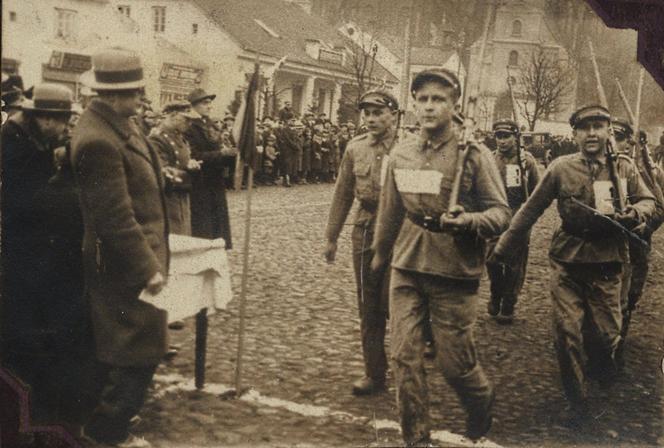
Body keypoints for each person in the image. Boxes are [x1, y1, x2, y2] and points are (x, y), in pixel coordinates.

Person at [490, 105, 654, 426]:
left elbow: (648, 201)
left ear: (608, 131)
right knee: (567, 333)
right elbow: (531, 209)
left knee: (607, 336)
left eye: (598, 127)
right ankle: (577, 404)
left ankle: (602, 363)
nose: (591, 133)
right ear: (575, 134)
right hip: (567, 260)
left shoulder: (623, 168)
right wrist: (503, 247)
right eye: (585, 128)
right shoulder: (560, 168)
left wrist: (635, 214)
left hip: (608, 263)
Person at [371, 69, 511, 445]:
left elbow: (501, 213)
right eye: (423, 99)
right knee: (404, 356)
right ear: (414, 105)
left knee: (455, 366)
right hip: (408, 265)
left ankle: (481, 401)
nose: (429, 107)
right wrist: (380, 254)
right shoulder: (401, 153)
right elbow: (390, 211)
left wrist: (468, 221)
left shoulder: (474, 155)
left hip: (454, 270)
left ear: (454, 105)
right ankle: (415, 438)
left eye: (438, 99)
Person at [70, 47, 169, 447]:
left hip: (132, 260)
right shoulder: (98, 139)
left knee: (129, 350)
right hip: (123, 265)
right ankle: (104, 433)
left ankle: (108, 427)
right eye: (134, 92)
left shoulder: (120, 126)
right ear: (113, 95)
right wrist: (148, 268)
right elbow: (114, 218)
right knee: (136, 353)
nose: (140, 97)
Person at [1, 83, 93, 434]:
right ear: (43, 117)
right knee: (21, 327)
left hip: (34, 243)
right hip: (18, 246)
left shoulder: (33, 137)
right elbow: (19, 200)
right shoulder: (11, 142)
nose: (64, 129)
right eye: (60, 122)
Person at [324, 90, 399, 396]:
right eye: (366, 113)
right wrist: (331, 238)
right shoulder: (355, 148)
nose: (370, 119)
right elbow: (342, 194)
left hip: (402, 232)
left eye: (378, 112)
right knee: (368, 303)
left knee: (398, 301)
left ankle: (408, 366)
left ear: (393, 114)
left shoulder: (409, 149)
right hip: (366, 228)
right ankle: (374, 372)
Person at [611, 121, 664, 352]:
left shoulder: (646, 170)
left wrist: (646, 226)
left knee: (630, 292)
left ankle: (619, 338)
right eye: (611, 136)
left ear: (629, 142)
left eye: (619, 138)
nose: (613, 142)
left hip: (636, 241)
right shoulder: (600, 165)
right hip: (608, 242)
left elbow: (660, 206)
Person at [486, 119, 541, 323]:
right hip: (496, 214)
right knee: (491, 259)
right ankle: (495, 292)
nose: (502, 141)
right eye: (498, 136)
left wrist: (527, 212)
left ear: (516, 137)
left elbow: (537, 192)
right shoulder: (491, 159)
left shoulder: (526, 161)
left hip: (519, 215)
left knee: (514, 264)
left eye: (506, 136)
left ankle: (508, 302)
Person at [184, 87, 235, 248]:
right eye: (205, 103)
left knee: (217, 225)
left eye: (210, 103)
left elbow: (218, 147)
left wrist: (231, 157)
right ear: (194, 106)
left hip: (215, 181)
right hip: (200, 182)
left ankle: (215, 252)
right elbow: (193, 155)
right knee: (203, 226)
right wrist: (222, 155)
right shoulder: (189, 127)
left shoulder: (211, 124)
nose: (209, 106)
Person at [149, 100, 202, 235]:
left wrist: (190, 164)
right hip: (167, 197)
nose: (189, 124)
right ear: (173, 115)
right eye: (186, 119)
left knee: (183, 233)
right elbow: (160, 170)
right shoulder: (157, 138)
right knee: (171, 236)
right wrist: (186, 169)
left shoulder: (179, 137)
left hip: (181, 196)